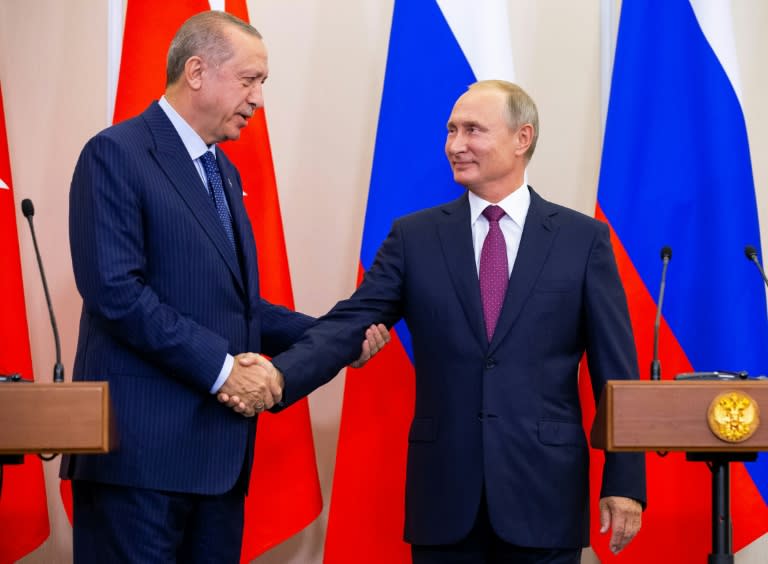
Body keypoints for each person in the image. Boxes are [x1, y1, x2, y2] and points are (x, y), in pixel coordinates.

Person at [224, 80, 646, 563]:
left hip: (544, 494)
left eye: (473, 130)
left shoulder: (582, 239)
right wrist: (279, 377)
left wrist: (625, 480)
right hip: (445, 497)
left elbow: (616, 371)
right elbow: (351, 322)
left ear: (521, 138)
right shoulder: (415, 237)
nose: (455, 145)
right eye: (451, 130)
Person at [62, 11, 387, 563]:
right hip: (139, 458)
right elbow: (118, 293)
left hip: (216, 461)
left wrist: (335, 338)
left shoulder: (224, 172)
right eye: (249, 79)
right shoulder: (116, 153)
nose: (258, 98)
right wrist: (224, 369)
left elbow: (238, 306)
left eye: (263, 83)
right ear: (196, 71)